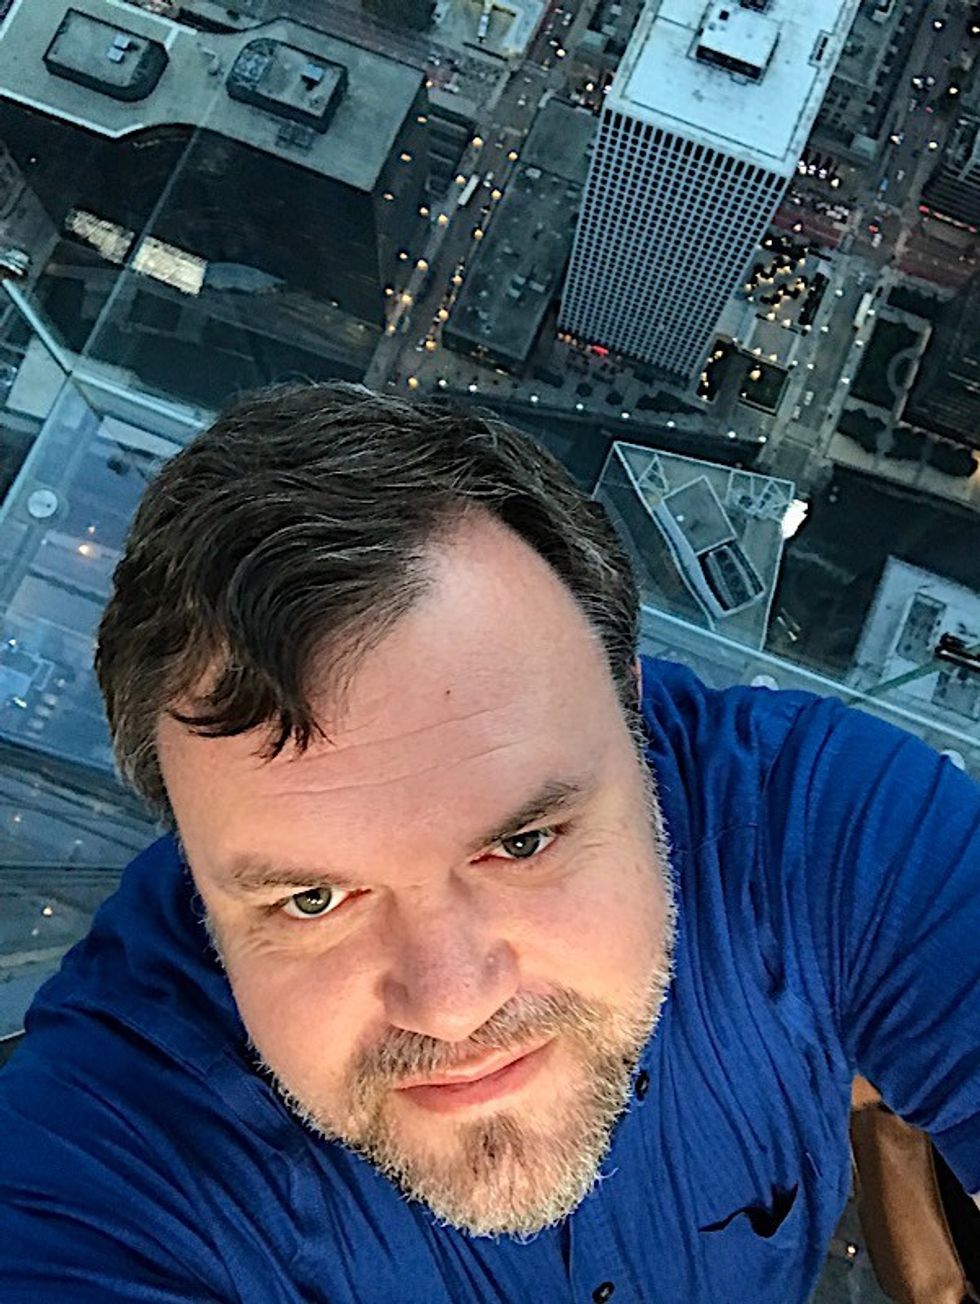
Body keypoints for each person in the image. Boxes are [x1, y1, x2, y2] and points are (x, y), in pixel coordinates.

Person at [1, 382, 978, 1303]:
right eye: (311, 898)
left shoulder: (817, 829)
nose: (453, 1000)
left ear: (630, 720)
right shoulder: (119, 1150)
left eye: (521, 841)